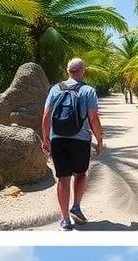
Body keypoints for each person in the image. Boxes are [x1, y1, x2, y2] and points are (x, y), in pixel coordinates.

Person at [41, 57, 105, 231]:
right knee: (81, 174)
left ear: (68, 71)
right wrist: (99, 140)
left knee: (62, 178)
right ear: (82, 71)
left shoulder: (55, 89)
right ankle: (76, 206)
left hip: (58, 139)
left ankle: (65, 219)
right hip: (81, 139)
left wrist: (46, 138)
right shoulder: (88, 90)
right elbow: (94, 117)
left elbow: (46, 115)